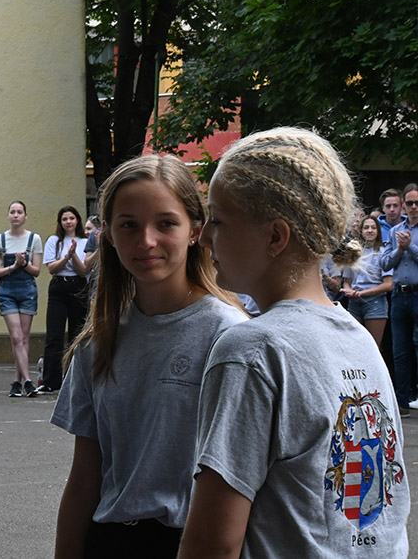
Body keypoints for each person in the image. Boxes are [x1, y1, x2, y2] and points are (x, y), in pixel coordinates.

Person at [179, 127, 409, 557]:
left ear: (275, 237)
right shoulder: (359, 339)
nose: (204, 236)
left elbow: (213, 543)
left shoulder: (251, 351)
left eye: (218, 220)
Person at [51, 155, 246, 558]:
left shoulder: (229, 335)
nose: (147, 241)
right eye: (129, 225)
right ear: (107, 234)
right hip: (109, 540)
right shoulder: (97, 343)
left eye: (166, 223)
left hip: (190, 542)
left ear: (195, 231)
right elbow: (84, 478)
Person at [0, 200, 43, 397]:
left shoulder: (34, 239)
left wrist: (24, 264)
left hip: (27, 290)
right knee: (16, 337)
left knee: (24, 337)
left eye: (19, 212)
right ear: (8, 216)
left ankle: (17, 381)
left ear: (25, 216)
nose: (16, 215)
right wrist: (13, 266)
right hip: (7, 290)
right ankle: (28, 381)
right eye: (12, 212)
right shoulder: (0, 239)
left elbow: (37, 271)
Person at [38, 206, 92, 394]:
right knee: (54, 335)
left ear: (77, 220)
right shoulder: (54, 241)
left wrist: (74, 254)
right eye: (64, 219)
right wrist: (67, 255)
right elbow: (52, 268)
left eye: (71, 218)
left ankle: (74, 379)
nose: (68, 222)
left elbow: (83, 270)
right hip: (59, 287)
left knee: (77, 334)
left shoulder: (85, 242)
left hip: (78, 287)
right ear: (60, 223)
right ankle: (50, 381)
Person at [381, 182, 418, 417]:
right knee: (400, 350)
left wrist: (410, 246)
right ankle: (402, 401)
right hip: (399, 295)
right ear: (404, 204)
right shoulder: (396, 231)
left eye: (417, 203)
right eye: (410, 203)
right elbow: (384, 263)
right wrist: (400, 250)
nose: (414, 207)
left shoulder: (406, 236)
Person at [344, 215, 392, 346]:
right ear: (361, 231)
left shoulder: (383, 252)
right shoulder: (353, 252)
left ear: (378, 231)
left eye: (373, 228)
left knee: (373, 346)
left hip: (374, 303)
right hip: (354, 303)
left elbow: (388, 284)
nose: (370, 231)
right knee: (353, 345)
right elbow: (347, 281)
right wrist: (348, 290)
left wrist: (362, 293)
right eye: (366, 228)